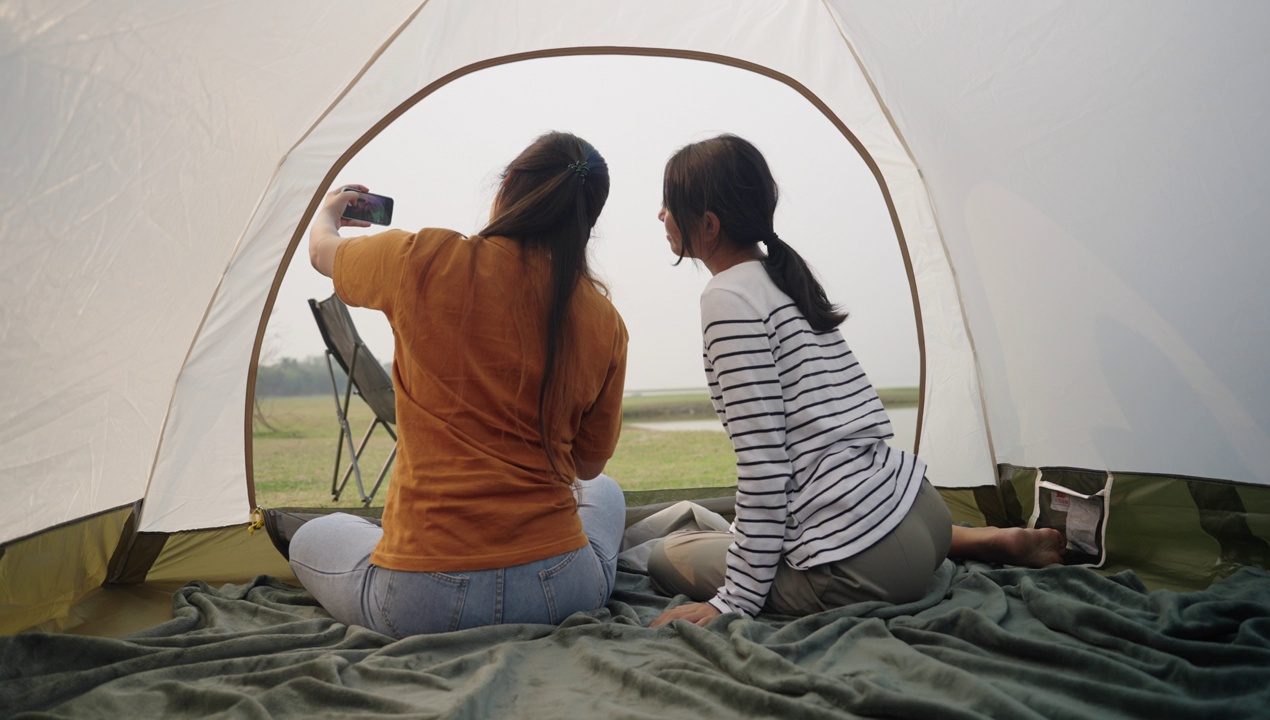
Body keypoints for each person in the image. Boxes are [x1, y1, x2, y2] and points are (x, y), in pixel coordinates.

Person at [648, 135, 1064, 627]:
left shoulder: (726, 299)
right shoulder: (781, 277)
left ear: (709, 225)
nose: (661, 216)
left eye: (669, 205)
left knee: (665, 553)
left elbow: (763, 466)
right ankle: (984, 538)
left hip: (872, 565)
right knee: (746, 527)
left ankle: (954, 544)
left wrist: (732, 602)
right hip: (920, 510)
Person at [292, 131, 629, 637]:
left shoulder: (421, 258)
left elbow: (322, 252)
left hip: (421, 596)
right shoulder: (603, 318)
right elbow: (587, 465)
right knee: (605, 490)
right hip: (559, 589)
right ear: (587, 220)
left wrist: (331, 211)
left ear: (510, 184)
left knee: (313, 535)